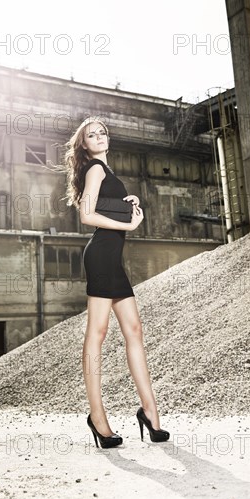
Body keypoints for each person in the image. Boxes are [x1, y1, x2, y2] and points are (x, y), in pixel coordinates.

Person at [62, 116, 169, 448]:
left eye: (102, 133)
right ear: (84, 145)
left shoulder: (106, 173)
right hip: (101, 257)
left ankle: (150, 413)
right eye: (91, 135)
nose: (99, 137)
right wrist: (129, 227)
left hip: (111, 258)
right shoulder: (94, 169)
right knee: (97, 333)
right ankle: (98, 418)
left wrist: (128, 205)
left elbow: (104, 208)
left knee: (133, 330)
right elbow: (87, 215)